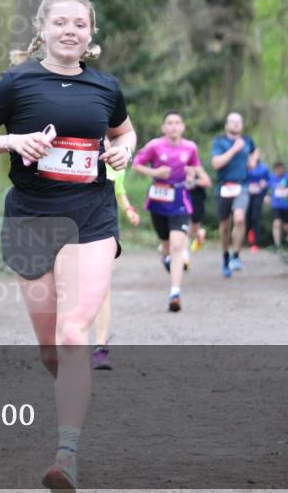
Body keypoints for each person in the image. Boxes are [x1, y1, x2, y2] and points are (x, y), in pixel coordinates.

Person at [0, 0, 135, 493]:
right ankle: (69, 396)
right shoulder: (16, 82)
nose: (70, 31)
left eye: (80, 24)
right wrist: (12, 141)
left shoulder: (106, 87)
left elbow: (125, 133)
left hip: (91, 217)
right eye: (61, 22)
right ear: (44, 28)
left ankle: (67, 455)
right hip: (32, 218)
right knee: (51, 348)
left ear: (90, 34)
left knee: (75, 330)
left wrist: (123, 153)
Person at [132, 111, 208, 312]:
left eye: (177, 122)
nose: (173, 126)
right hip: (158, 199)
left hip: (180, 200)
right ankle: (166, 258)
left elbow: (194, 169)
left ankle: (175, 293)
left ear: (183, 126)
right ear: (164, 127)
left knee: (177, 246)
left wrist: (192, 177)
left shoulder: (190, 148)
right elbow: (136, 165)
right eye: (169, 123)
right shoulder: (155, 146)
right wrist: (155, 172)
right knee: (166, 247)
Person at [90, 162, 140, 371]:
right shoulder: (73, 141)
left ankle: (100, 347)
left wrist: (128, 209)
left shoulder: (116, 161)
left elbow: (119, 190)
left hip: (102, 223)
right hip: (68, 219)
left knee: (101, 285)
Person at [210, 112, 258, 278]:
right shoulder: (219, 141)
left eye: (239, 122)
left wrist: (253, 160)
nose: (236, 124)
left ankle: (236, 255)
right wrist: (234, 149)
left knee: (239, 218)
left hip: (242, 186)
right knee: (224, 226)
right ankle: (225, 256)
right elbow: (216, 164)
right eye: (233, 122)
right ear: (226, 125)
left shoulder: (248, 141)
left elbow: (254, 152)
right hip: (224, 186)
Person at [267, 161, 288, 248]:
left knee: (287, 226)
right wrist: (267, 196)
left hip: (287, 205)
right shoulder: (271, 178)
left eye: (280, 168)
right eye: (277, 169)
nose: (279, 170)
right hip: (276, 205)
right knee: (277, 223)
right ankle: (278, 245)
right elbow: (265, 186)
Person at [245, 156, 270, 253]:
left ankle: (255, 243)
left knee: (256, 217)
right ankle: (248, 239)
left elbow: (269, 181)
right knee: (247, 217)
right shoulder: (245, 167)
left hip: (258, 196)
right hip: (247, 195)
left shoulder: (263, 168)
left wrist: (266, 191)